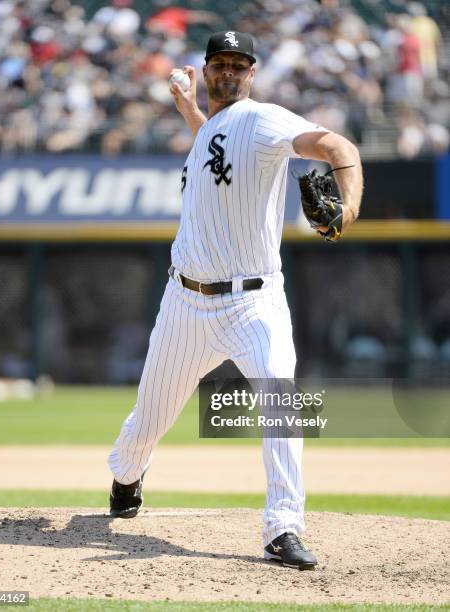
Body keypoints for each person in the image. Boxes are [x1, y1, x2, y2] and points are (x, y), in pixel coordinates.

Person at [108, 31, 363, 570]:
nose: (229, 72)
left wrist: (350, 211)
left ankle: (283, 525)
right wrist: (186, 107)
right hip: (185, 304)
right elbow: (213, 142)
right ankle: (127, 476)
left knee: (281, 400)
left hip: (254, 302)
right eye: (220, 63)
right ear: (206, 70)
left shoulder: (263, 119)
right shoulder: (216, 130)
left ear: (253, 73)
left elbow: (340, 149)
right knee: (150, 418)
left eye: (239, 65)